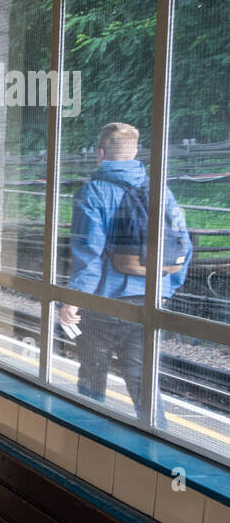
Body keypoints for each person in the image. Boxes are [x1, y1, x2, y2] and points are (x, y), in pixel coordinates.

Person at [57, 123, 192, 424]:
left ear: (100, 153)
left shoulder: (92, 193)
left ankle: (88, 441)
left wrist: (73, 301)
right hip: (149, 301)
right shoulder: (159, 189)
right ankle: (159, 443)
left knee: (93, 374)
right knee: (142, 379)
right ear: (135, 153)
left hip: (104, 304)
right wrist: (166, 287)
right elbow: (184, 245)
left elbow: (88, 254)